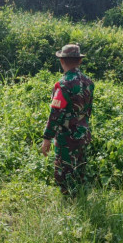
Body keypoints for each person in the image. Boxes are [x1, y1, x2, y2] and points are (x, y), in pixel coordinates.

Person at [40, 44, 94, 197]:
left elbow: (55, 114)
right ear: (80, 61)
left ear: (62, 61)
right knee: (80, 168)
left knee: (64, 171)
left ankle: (68, 203)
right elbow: (88, 109)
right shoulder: (88, 82)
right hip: (83, 132)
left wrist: (47, 138)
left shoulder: (63, 85)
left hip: (67, 135)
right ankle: (80, 199)